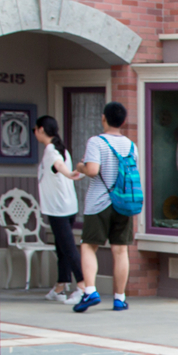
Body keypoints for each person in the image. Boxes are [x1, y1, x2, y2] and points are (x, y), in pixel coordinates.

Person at [75, 101, 138, 313]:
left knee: (88, 245)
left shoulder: (97, 142)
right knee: (120, 250)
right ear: (123, 121)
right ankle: (120, 298)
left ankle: (90, 291)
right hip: (124, 202)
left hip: (99, 203)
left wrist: (80, 166)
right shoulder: (131, 145)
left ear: (103, 118)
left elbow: (93, 170)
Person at [33, 116, 84, 304]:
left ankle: (83, 287)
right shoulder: (61, 149)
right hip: (67, 206)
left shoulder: (51, 150)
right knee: (62, 247)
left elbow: (58, 164)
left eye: (34, 129)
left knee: (68, 248)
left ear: (40, 129)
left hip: (58, 209)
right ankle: (60, 287)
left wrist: (69, 174)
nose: (34, 133)